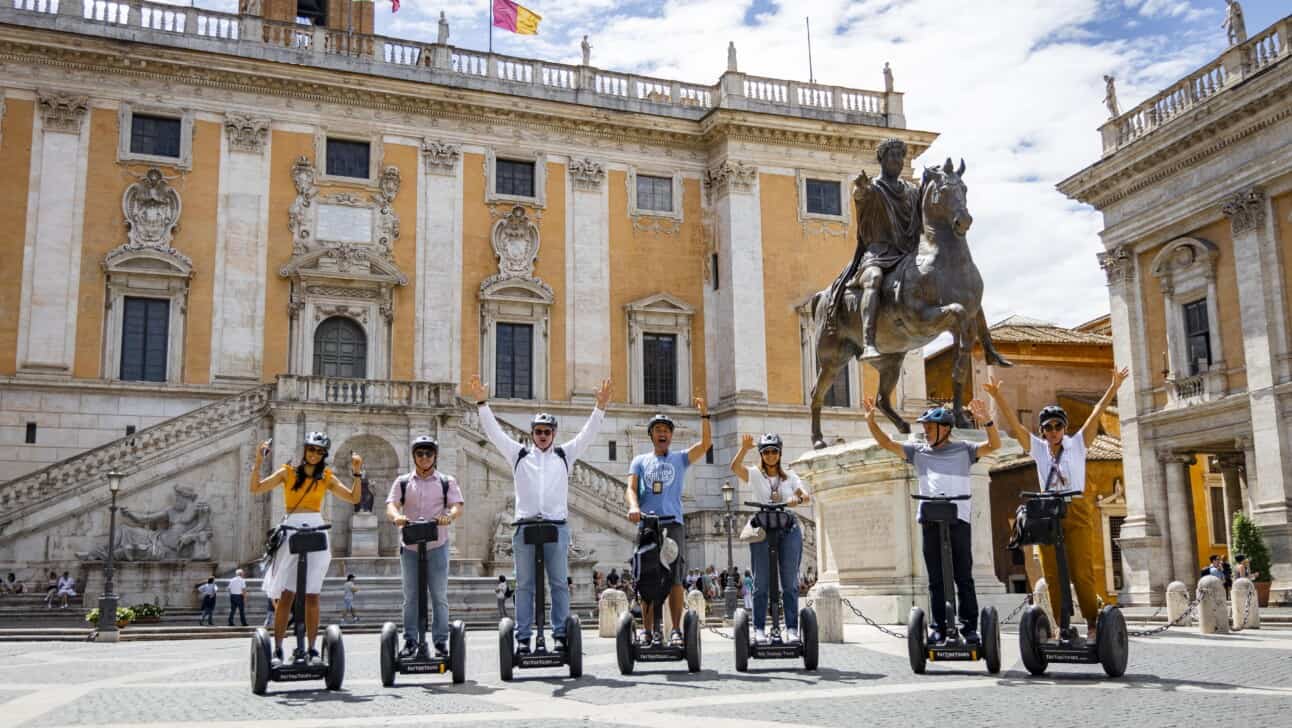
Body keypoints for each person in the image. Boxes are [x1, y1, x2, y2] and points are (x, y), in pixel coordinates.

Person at [466, 374, 612, 655]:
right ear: (532, 433)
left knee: (558, 583)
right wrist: (482, 403)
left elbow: (588, 435)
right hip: (524, 527)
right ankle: (522, 637)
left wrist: (600, 407)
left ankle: (559, 634)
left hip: (556, 527)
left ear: (554, 434)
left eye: (547, 431)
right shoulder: (519, 455)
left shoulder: (564, 455)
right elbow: (494, 433)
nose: (542, 435)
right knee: (524, 585)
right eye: (538, 431)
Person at [985, 367, 1128, 641]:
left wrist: (1114, 386)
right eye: (1048, 427)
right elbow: (1015, 426)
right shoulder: (1038, 448)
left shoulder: (1077, 444)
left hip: (1075, 508)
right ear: (1042, 430)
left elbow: (1097, 411)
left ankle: (1092, 623)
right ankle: (1061, 626)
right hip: (1046, 512)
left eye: (1057, 426)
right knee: (1050, 571)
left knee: (1081, 571)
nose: (1052, 431)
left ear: (1064, 428)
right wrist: (998, 396)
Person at [866, 397, 999, 643]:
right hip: (930, 520)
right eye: (924, 427)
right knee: (936, 578)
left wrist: (988, 421)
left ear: (945, 429)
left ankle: (969, 628)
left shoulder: (965, 450)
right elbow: (886, 443)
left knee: (964, 576)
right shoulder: (918, 452)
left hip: (958, 519)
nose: (924, 431)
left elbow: (994, 444)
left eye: (929, 427)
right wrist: (871, 422)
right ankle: (938, 626)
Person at [251, 432, 362, 666]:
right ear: (305, 450)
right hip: (291, 528)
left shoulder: (327, 477)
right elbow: (256, 488)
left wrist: (357, 472)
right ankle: (278, 649)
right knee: (286, 595)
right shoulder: (287, 472)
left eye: (319, 451)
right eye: (311, 449)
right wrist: (259, 462)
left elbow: (353, 498)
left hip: (316, 528)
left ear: (324, 455)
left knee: (312, 595)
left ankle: (312, 649)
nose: (314, 454)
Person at [625, 399, 712, 647]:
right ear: (651, 435)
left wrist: (704, 415)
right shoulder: (640, 461)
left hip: (673, 523)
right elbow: (630, 488)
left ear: (671, 436)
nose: (662, 433)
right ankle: (649, 631)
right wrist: (633, 506)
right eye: (658, 430)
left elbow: (705, 444)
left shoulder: (680, 459)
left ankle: (675, 630)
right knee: (646, 578)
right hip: (648, 525)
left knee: (675, 579)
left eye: (666, 430)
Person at [828, 137, 922, 359]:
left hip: (904, 253)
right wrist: (860, 188)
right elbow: (861, 197)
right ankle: (869, 341)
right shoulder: (874, 188)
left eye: (901, 156)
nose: (898, 161)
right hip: (878, 254)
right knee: (874, 279)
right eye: (893, 155)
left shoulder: (911, 190)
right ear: (882, 159)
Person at [386, 435, 464, 659]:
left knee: (439, 595)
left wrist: (449, 516)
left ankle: (440, 642)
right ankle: (410, 640)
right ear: (414, 457)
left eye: (428, 453)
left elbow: (457, 505)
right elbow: (391, 504)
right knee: (410, 596)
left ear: (435, 456)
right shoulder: (403, 482)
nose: (424, 457)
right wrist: (397, 516)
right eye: (420, 454)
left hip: (437, 545)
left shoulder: (446, 481)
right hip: (410, 546)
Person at [730, 432, 812, 642]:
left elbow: (805, 494)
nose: (770, 455)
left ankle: (792, 629)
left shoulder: (790, 476)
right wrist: (744, 449)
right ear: (761, 454)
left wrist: (797, 498)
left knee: (790, 582)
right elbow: (735, 468)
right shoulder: (756, 474)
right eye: (766, 452)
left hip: (787, 528)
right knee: (761, 583)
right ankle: (758, 629)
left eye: (774, 451)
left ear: (780, 453)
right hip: (763, 529)